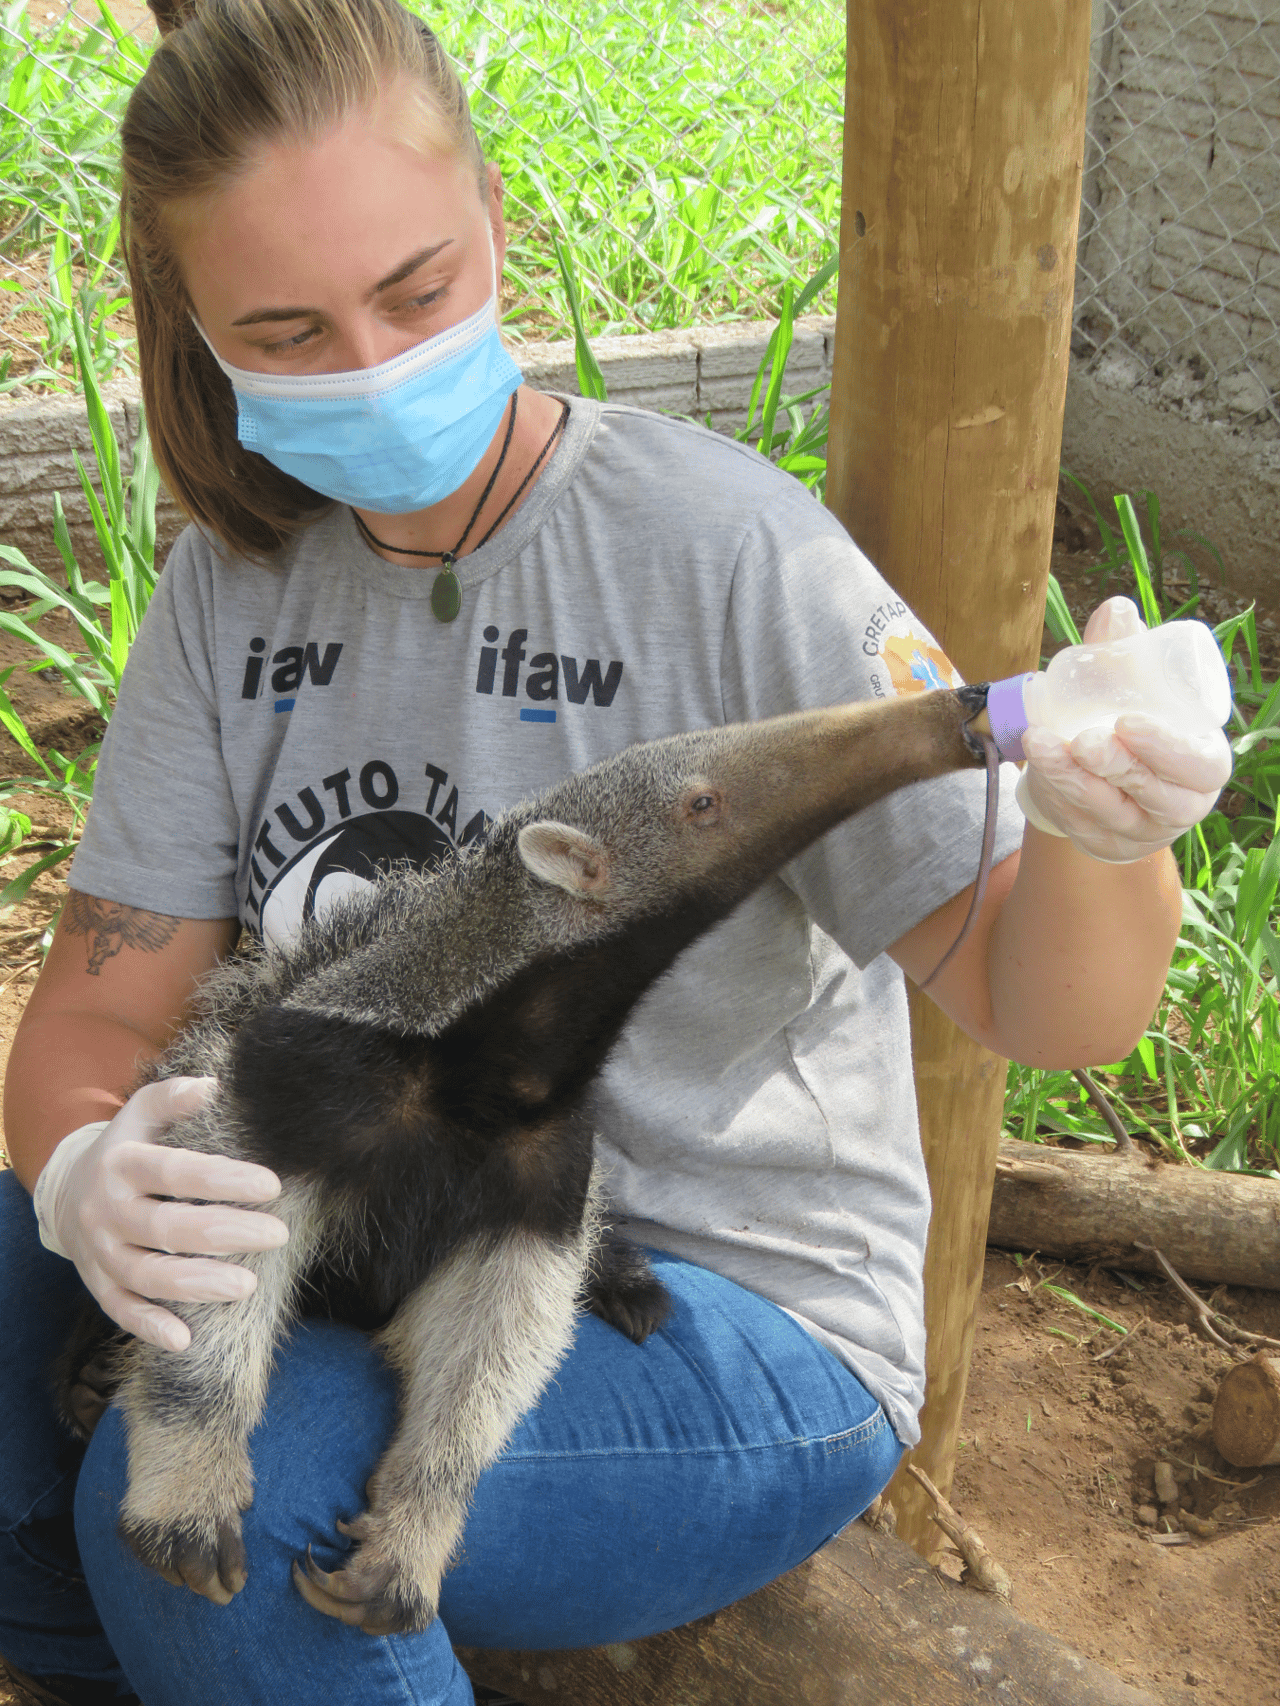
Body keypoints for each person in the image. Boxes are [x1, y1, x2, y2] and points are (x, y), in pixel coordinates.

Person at [0, 2, 1230, 1702]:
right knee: (62, 1351)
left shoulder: (728, 556)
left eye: (418, 292)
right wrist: (85, 1170)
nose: (367, 358)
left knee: (268, 1504)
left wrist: (1106, 835)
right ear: (201, 335)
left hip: (725, 1302)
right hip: (367, 1185)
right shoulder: (233, 591)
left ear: (500, 228)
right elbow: (102, 1020)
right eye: (286, 327)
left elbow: (1055, 1001)